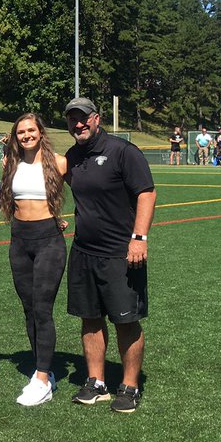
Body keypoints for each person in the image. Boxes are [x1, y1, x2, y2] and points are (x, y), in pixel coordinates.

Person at [63, 97, 156, 414]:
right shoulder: (73, 156)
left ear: (96, 118)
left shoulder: (122, 151)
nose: (78, 124)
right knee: (90, 319)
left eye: (83, 118)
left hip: (121, 253)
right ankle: (96, 382)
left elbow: (146, 192)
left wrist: (139, 238)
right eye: (72, 119)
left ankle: (129, 387)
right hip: (84, 252)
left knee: (126, 321)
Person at [0, 113, 69, 407]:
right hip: (19, 240)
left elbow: (88, 194)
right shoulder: (10, 164)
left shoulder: (59, 162)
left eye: (31, 130)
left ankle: (41, 379)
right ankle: (44, 370)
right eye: (21, 132)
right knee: (28, 309)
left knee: (42, 309)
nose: (26, 135)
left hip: (48, 241)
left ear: (41, 132)